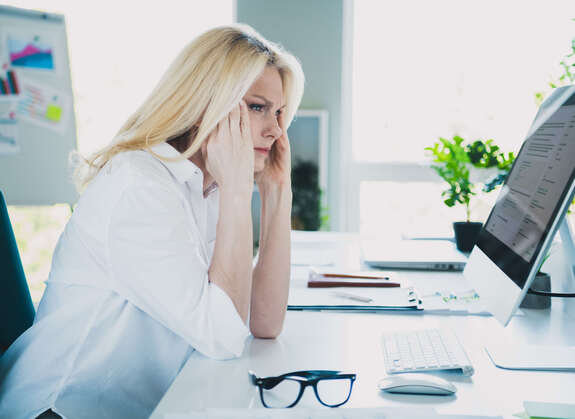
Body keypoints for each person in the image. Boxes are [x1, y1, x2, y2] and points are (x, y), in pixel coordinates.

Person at [0, 24, 304, 419]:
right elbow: (224, 335)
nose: (276, 129)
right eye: (258, 106)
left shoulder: (208, 185)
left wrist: (278, 193)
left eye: (280, 112)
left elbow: (263, 323)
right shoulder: (141, 186)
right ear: (206, 102)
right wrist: (235, 190)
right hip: (62, 409)